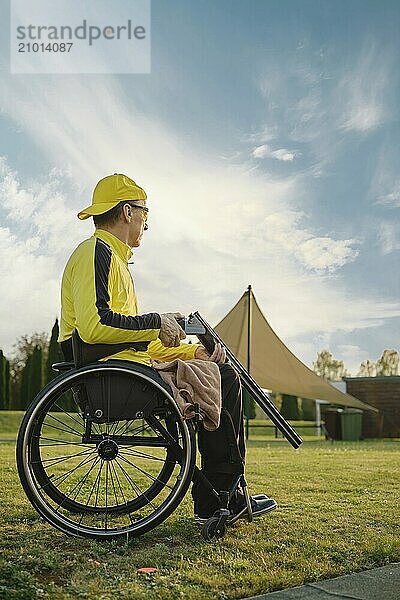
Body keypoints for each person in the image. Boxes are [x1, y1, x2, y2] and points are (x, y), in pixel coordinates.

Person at [58, 173, 276, 523]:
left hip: (124, 370)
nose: (147, 222)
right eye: (146, 213)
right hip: (108, 380)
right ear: (128, 212)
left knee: (220, 371)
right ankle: (221, 495)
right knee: (224, 379)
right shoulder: (95, 252)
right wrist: (156, 320)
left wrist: (193, 352)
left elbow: (129, 339)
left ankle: (224, 492)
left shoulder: (114, 258)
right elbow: (96, 326)